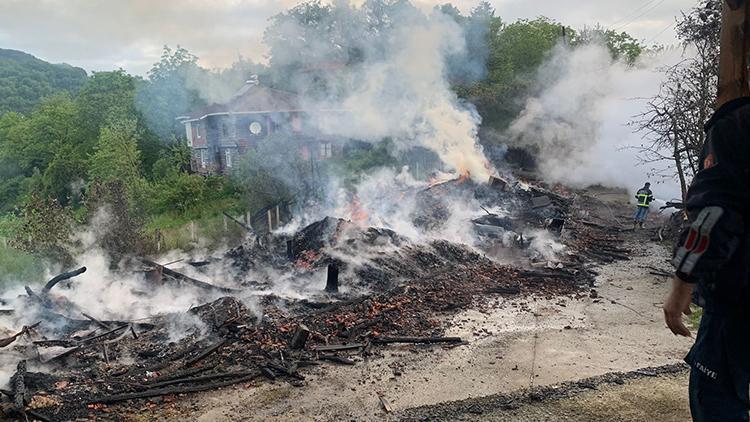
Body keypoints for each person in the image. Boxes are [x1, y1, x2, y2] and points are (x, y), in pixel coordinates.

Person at [664, 97, 750, 421]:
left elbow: (714, 215)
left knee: (716, 398)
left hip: (738, 305)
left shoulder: (737, 124)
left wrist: (683, 282)